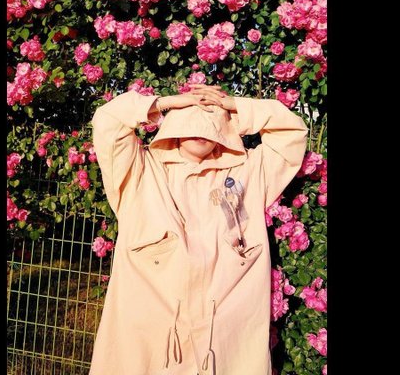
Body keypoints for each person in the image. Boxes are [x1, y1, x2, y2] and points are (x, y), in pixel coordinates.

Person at [89, 84, 308, 375]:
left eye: (210, 114)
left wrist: (234, 106)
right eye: (190, 113)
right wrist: (165, 103)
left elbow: (291, 132)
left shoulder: (249, 173)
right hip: (151, 348)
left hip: (225, 350)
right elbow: (109, 119)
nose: (200, 126)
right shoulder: (138, 173)